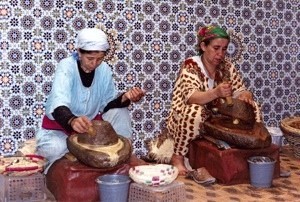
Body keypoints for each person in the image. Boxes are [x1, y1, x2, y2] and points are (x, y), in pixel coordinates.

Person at [36, 28, 145, 173]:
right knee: (55, 149)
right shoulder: (66, 66)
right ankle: (73, 160)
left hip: (91, 129)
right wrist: (72, 120)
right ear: (79, 53)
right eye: (90, 59)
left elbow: (107, 104)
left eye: (99, 59)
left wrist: (125, 97)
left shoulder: (104, 69)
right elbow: (58, 103)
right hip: (61, 128)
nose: (94, 64)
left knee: (120, 112)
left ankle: (125, 155)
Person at [166, 25, 263, 175]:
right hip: (186, 120)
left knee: (253, 107)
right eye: (216, 48)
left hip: (217, 119)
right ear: (203, 46)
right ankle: (177, 157)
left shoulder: (227, 66)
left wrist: (246, 95)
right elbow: (192, 98)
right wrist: (216, 93)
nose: (220, 54)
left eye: (224, 49)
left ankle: (257, 155)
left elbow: (240, 89)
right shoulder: (191, 66)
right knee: (194, 111)